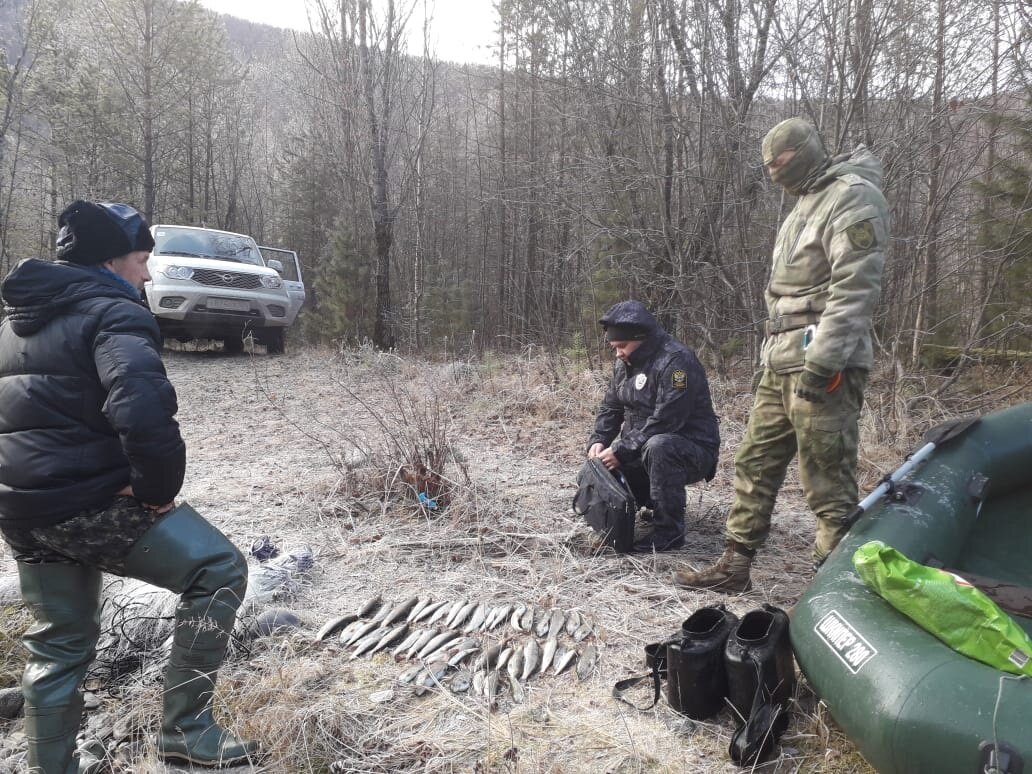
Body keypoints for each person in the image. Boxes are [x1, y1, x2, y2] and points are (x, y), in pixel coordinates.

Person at [0, 200, 259, 770]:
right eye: (142, 260)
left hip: (21, 510)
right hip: (87, 502)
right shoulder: (114, 313)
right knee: (217, 568)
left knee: (59, 641)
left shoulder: (12, 324)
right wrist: (156, 490)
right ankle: (186, 729)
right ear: (111, 261)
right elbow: (142, 409)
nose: (147, 274)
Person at [673, 117, 890, 593]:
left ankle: (831, 591)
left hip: (824, 365)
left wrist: (823, 361)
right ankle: (734, 566)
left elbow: (855, 290)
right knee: (754, 462)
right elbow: (785, 299)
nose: (774, 171)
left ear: (806, 152)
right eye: (769, 165)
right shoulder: (803, 205)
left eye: (781, 161)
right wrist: (768, 360)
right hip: (781, 360)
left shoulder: (852, 196)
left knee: (826, 479)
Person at [587, 300, 720, 552]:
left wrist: (622, 451)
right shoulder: (623, 364)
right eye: (614, 348)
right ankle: (644, 504)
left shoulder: (677, 361)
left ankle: (669, 534)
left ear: (641, 339)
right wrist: (599, 440)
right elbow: (611, 408)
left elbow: (668, 419)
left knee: (659, 446)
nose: (618, 353)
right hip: (639, 448)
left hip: (690, 448)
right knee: (602, 465)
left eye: (622, 346)